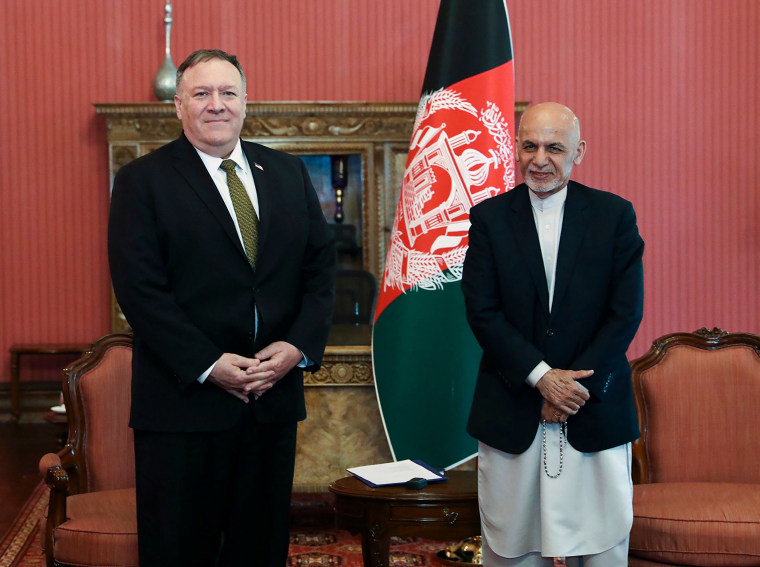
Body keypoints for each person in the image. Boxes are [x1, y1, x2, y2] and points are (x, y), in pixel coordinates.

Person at [108, 49, 336, 567]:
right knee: (180, 549)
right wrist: (210, 364)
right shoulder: (143, 180)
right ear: (178, 105)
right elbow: (140, 291)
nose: (217, 105)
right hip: (183, 402)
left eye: (228, 93)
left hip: (270, 398)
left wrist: (298, 346)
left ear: (245, 102)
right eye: (202, 94)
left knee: (259, 546)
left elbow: (320, 271)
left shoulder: (286, 172)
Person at [462, 102, 644, 566]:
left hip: (594, 408)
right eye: (529, 145)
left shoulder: (614, 215)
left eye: (554, 147)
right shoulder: (488, 219)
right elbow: (483, 313)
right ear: (516, 148)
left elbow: (625, 313)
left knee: (601, 550)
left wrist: (571, 387)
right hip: (513, 407)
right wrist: (542, 377)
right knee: (512, 552)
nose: (539, 159)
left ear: (578, 151)